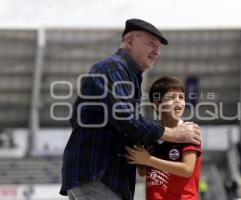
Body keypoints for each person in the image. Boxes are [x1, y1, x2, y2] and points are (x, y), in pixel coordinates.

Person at [59, 19, 201, 200]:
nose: (157, 51)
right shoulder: (113, 67)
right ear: (130, 41)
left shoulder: (129, 75)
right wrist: (173, 134)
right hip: (99, 175)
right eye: (151, 44)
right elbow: (125, 116)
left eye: (158, 47)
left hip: (97, 175)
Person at [126, 76, 202, 200]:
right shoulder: (149, 136)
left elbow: (187, 169)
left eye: (181, 97)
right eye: (172, 97)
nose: (178, 101)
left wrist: (148, 160)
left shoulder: (189, 130)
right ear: (157, 105)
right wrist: (140, 161)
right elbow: (143, 172)